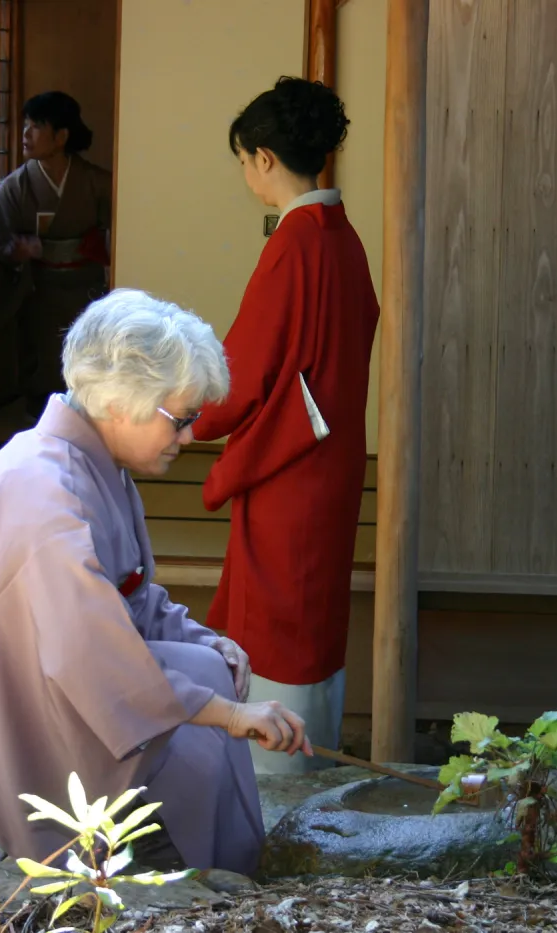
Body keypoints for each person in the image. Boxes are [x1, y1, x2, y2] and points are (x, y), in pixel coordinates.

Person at [0, 289, 310, 874]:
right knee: (189, 748)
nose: (190, 437)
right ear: (119, 404)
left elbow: (129, 594)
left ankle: (209, 868)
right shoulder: (41, 491)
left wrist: (205, 642)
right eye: (182, 420)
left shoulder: (91, 463)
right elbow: (87, 654)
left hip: (19, 688)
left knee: (204, 670)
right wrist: (226, 714)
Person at [191, 77, 380, 774]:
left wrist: (187, 414)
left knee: (277, 611)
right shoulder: (342, 238)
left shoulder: (294, 244)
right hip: (331, 457)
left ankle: (276, 771)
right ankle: (312, 759)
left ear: (264, 158)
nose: (246, 173)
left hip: (288, 463)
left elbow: (243, 370)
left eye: (245, 160)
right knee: (313, 606)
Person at [0, 91, 112, 418]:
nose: (25, 134)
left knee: (89, 354)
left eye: (36, 127)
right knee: (43, 356)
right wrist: (16, 251)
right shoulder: (14, 188)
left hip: (88, 286)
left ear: (61, 136)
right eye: (25, 126)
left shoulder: (97, 182)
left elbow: (118, 232)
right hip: (38, 288)